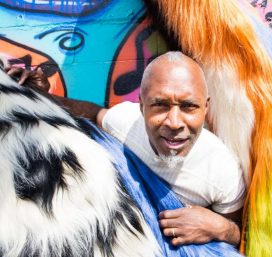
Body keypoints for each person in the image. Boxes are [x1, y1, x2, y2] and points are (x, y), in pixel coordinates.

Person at [6, 51, 245, 247]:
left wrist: (223, 229)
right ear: (141, 107)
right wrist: (41, 98)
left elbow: (239, 237)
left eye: (189, 106)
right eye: (160, 105)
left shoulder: (223, 173)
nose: (174, 122)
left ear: (205, 108)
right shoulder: (127, 123)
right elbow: (91, 113)